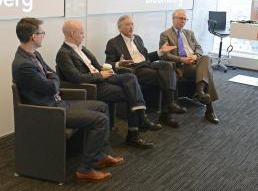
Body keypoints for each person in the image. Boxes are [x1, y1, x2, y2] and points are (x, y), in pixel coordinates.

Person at [12, 17, 124, 182]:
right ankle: (85, 169)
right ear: (34, 37)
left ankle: (100, 156)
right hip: (49, 110)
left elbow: (52, 76)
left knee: (101, 106)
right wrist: (53, 80)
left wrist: (52, 79)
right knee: (100, 120)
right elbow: (51, 86)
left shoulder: (34, 55)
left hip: (58, 102)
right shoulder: (23, 64)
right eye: (42, 33)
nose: (44, 35)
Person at [56, 20, 159, 149]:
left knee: (130, 77)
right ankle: (135, 132)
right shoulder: (63, 54)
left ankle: (141, 118)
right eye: (82, 33)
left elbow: (98, 66)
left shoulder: (82, 49)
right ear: (73, 33)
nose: (84, 35)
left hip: (101, 78)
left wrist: (110, 69)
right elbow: (75, 77)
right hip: (92, 87)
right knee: (131, 92)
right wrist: (100, 75)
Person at [105, 15, 186, 128]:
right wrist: (119, 63)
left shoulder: (137, 38)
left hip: (147, 64)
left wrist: (160, 52)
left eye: (132, 24)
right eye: (127, 24)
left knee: (168, 66)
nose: (131, 27)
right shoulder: (113, 43)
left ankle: (169, 105)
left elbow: (146, 56)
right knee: (169, 76)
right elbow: (108, 64)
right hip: (135, 69)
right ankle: (167, 112)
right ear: (119, 27)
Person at [159, 9, 219, 124]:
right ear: (173, 19)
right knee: (207, 72)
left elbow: (198, 47)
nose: (183, 21)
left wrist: (196, 56)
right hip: (182, 66)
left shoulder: (189, 33)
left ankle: (200, 91)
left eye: (185, 19)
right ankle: (209, 109)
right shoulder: (165, 35)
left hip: (195, 62)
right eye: (180, 18)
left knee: (206, 58)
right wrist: (182, 59)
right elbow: (165, 55)